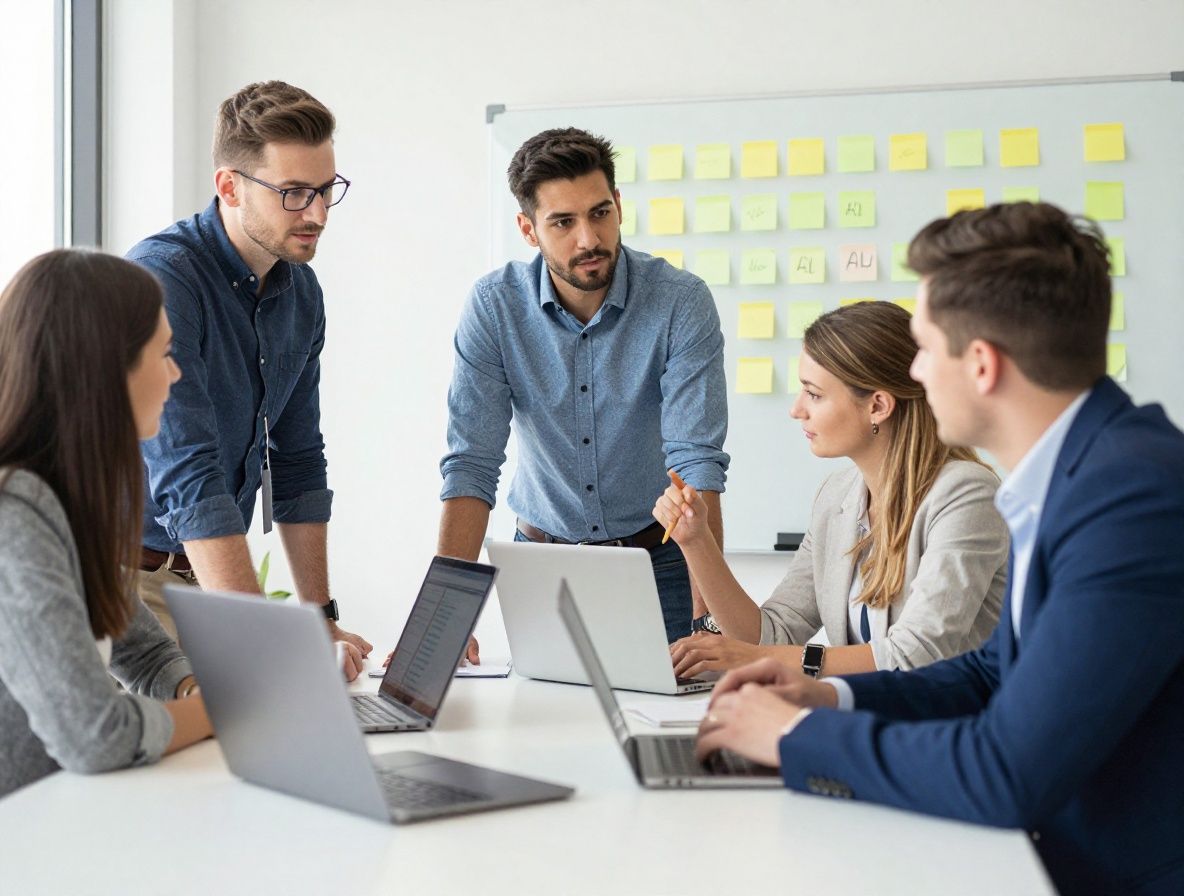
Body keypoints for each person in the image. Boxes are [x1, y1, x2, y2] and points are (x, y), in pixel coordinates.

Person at [694, 202, 1184, 896]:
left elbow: (1006, 771)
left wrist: (790, 738)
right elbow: (989, 674)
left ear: (981, 364)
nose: (915, 374)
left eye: (924, 348)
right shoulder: (1080, 475)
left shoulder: (1131, 498)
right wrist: (825, 696)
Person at [438, 127, 730, 655]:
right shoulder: (494, 307)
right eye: (563, 222)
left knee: (676, 721)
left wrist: (706, 620)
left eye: (600, 213)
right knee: (546, 722)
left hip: (660, 560)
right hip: (543, 564)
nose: (589, 239)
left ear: (618, 205)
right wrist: (443, 622)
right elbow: (471, 463)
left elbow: (696, 464)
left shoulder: (680, 302)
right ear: (528, 229)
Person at [126, 80, 371, 679]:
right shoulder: (164, 281)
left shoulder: (301, 292)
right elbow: (189, 474)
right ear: (229, 186)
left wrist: (318, 618)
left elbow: (297, 462)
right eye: (292, 193)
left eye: (324, 190)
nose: (316, 214)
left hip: (204, 580)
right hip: (127, 583)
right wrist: (266, 645)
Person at [655, 301, 1008, 681]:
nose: (796, 409)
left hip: (952, 727)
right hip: (868, 720)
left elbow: (915, 655)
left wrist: (770, 661)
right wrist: (696, 541)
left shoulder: (967, 495)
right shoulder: (837, 497)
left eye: (814, 394)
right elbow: (770, 635)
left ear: (877, 406)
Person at [0, 249, 213, 798]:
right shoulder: (13, 513)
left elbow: (142, 650)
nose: (176, 372)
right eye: (163, 353)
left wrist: (192, 686)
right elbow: (96, 736)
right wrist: (225, 711)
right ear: (104, 370)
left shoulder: (68, 500)